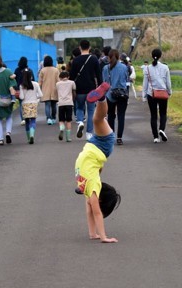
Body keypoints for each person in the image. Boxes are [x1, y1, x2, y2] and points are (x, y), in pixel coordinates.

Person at [74, 80, 118, 243]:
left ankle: (101, 98)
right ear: (100, 200)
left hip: (95, 148)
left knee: (97, 120)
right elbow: (96, 212)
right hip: (100, 148)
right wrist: (104, 237)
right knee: (98, 120)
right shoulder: (92, 187)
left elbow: (90, 211)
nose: (94, 206)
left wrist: (94, 234)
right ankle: (101, 99)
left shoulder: (89, 189)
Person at [69, 40, 102, 139]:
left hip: (79, 89)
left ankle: (80, 122)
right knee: (91, 110)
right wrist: (100, 88)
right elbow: (98, 74)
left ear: (80, 47)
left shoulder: (76, 60)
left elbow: (72, 76)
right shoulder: (94, 58)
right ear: (90, 47)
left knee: (79, 107)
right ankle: (89, 133)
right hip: (91, 88)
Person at [142, 47, 172, 143]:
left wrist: (144, 95)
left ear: (152, 56)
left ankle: (155, 137)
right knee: (163, 113)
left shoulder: (147, 69)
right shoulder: (165, 67)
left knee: (153, 115)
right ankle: (161, 129)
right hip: (163, 93)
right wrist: (169, 91)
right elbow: (168, 82)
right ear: (160, 56)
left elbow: (145, 83)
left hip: (152, 94)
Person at [102, 49, 131, 145]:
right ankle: (119, 138)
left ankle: (111, 136)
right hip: (122, 94)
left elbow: (104, 82)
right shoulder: (124, 67)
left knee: (111, 116)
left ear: (109, 57)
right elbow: (127, 79)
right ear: (118, 57)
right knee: (121, 116)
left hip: (110, 94)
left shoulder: (106, 68)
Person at [17, 65, 42, 143]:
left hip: (25, 105)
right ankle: (32, 135)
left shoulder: (22, 86)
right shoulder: (36, 84)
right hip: (34, 104)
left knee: (27, 121)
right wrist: (35, 97)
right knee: (33, 121)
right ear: (31, 75)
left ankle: (28, 138)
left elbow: (21, 97)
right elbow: (41, 95)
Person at [38, 55, 60, 125]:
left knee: (47, 105)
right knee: (54, 105)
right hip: (54, 90)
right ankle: (53, 118)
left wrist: (38, 91)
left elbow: (40, 82)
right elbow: (58, 81)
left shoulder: (42, 70)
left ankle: (48, 118)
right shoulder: (56, 70)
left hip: (45, 90)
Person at [56, 70, 76, 142]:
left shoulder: (58, 84)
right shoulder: (72, 82)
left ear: (60, 77)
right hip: (69, 103)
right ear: (68, 77)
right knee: (68, 121)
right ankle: (68, 137)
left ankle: (61, 128)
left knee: (61, 120)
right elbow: (74, 92)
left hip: (61, 103)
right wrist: (73, 100)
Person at [14, 57, 33, 124]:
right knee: (28, 103)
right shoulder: (29, 70)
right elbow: (32, 80)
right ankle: (29, 117)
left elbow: (14, 81)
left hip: (19, 90)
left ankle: (23, 119)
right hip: (28, 89)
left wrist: (16, 89)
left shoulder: (16, 70)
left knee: (21, 104)